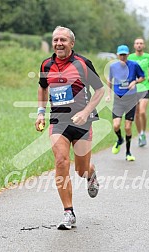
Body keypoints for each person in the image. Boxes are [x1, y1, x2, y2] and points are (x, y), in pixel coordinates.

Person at [35, 26, 105, 230]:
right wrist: (40, 112)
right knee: (61, 161)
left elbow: (100, 90)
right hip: (59, 120)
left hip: (83, 121)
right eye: (56, 40)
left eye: (63, 40)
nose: (58, 43)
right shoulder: (46, 64)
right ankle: (68, 212)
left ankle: (91, 174)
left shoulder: (83, 63)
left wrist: (85, 113)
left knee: (81, 169)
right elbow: (42, 86)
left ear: (71, 43)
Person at [106, 45, 145, 161]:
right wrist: (108, 94)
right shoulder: (113, 67)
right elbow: (109, 81)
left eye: (125, 54)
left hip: (131, 99)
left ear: (128, 54)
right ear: (117, 55)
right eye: (121, 55)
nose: (123, 57)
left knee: (128, 127)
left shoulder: (134, 65)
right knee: (116, 125)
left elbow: (142, 77)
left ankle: (128, 152)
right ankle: (119, 139)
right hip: (118, 99)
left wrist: (135, 82)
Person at [128, 38, 149, 147]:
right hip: (134, 88)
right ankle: (140, 135)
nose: (139, 45)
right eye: (137, 43)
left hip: (145, 87)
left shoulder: (148, 57)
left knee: (142, 111)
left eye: (141, 43)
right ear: (134, 45)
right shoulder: (130, 57)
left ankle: (143, 132)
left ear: (144, 45)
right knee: (137, 113)